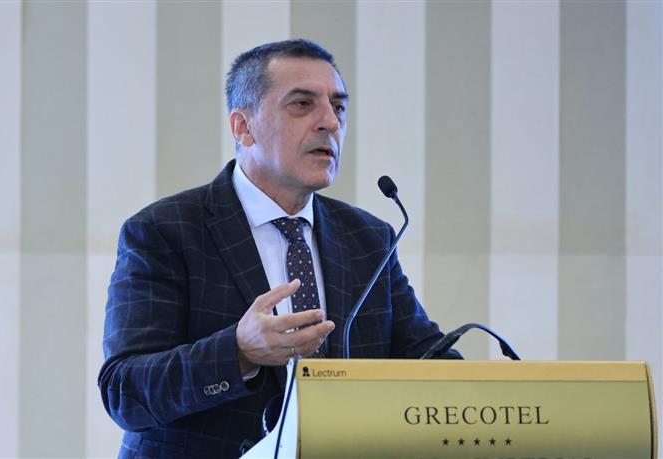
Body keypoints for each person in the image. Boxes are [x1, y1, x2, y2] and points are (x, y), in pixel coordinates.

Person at [99, 39, 460, 459]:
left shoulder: (368, 238)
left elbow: (425, 359)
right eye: (302, 104)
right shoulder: (164, 231)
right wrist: (238, 352)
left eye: (338, 107)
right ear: (243, 127)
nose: (330, 122)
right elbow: (124, 391)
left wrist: (491, 394)